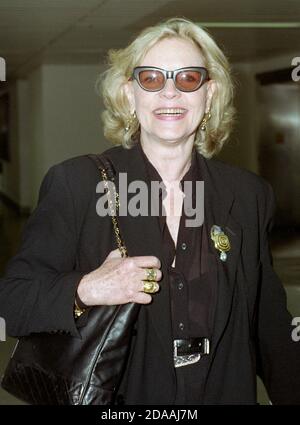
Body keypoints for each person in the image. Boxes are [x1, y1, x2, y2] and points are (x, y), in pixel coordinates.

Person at [0, 17, 299, 405]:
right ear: (129, 94)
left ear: (210, 96)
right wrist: (86, 289)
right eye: (152, 79)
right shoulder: (76, 184)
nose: (170, 93)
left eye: (188, 79)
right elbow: (13, 301)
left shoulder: (248, 195)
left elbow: (270, 327)